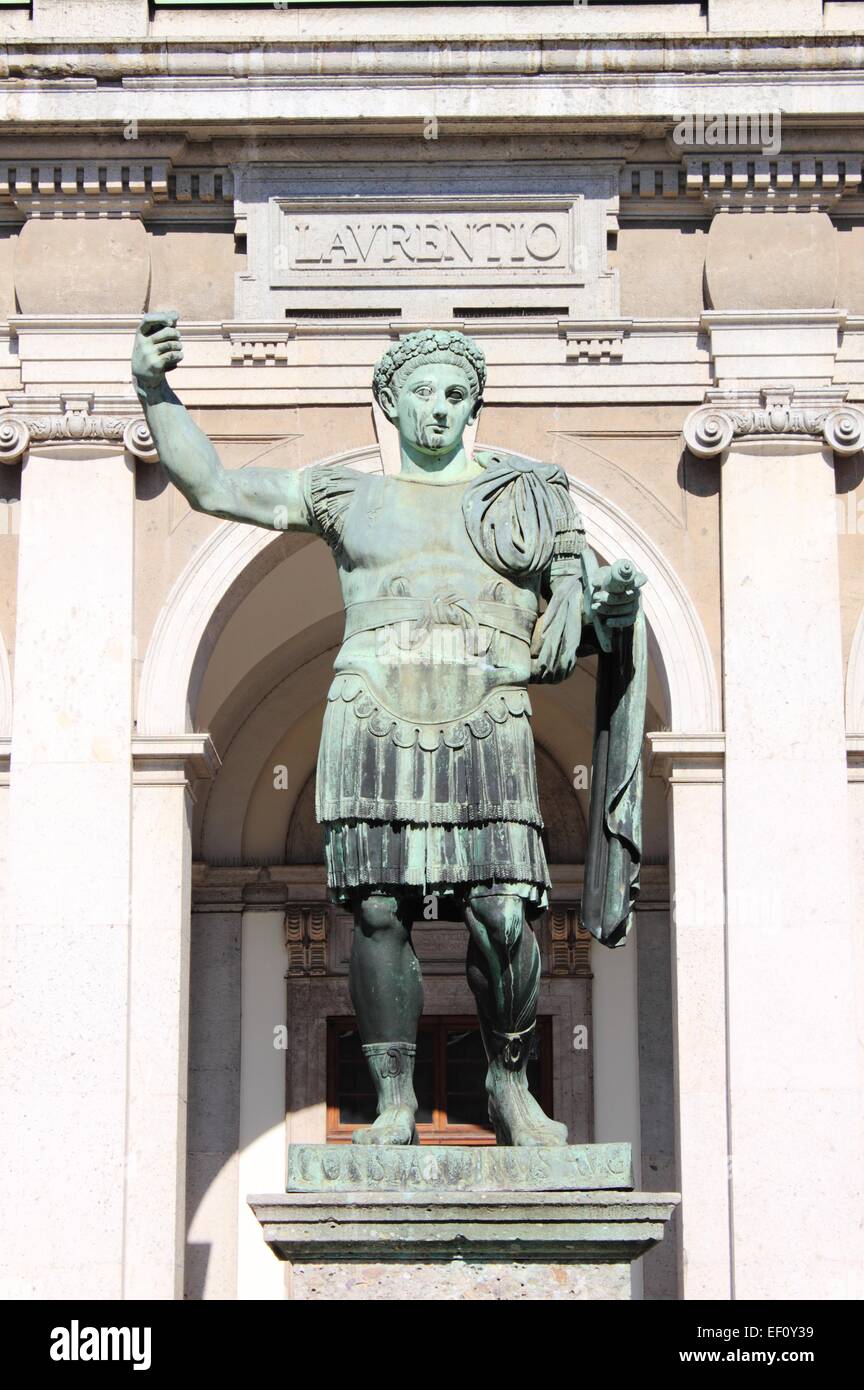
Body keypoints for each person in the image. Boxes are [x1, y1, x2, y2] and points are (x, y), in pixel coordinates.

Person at [132, 316, 645, 1147]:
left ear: (472, 405)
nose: (440, 410)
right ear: (390, 402)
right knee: (376, 911)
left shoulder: (526, 497)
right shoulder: (350, 499)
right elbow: (216, 487)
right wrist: (156, 392)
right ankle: (397, 1096)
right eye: (423, 394)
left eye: (456, 396)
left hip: (490, 713)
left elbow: (575, 622)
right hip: (372, 712)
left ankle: (509, 1084)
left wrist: (613, 612)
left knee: (505, 914)